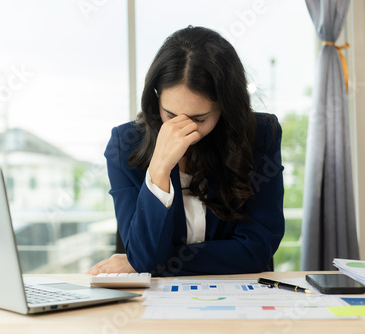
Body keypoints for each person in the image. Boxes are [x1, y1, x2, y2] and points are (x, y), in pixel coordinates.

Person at [87, 26, 284, 276]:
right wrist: (159, 167)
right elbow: (144, 255)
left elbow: (256, 250)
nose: (182, 129)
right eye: (169, 115)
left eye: (199, 118)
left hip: (240, 298)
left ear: (225, 107)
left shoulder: (261, 134)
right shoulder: (124, 144)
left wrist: (155, 263)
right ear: (156, 97)